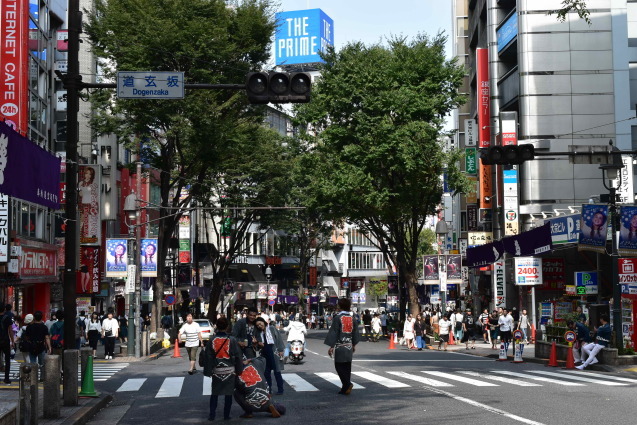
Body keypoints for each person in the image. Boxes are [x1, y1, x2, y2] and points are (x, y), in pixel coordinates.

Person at [202, 317, 242, 421]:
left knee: (214, 393)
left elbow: (208, 356)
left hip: (217, 371)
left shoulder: (212, 340)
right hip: (229, 371)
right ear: (227, 327)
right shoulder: (232, 340)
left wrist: (208, 371)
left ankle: (212, 415)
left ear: (216, 326)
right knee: (228, 394)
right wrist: (239, 370)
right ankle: (226, 415)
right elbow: (237, 356)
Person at [324, 298, 360, 395]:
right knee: (347, 367)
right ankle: (344, 388)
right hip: (349, 346)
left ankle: (347, 384)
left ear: (340, 306)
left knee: (339, 366)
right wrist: (353, 344)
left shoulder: (337, 318)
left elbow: (334, 332)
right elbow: (355, 332)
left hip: (340, 346)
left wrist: (331, 346)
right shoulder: (353, 318)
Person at [254, 317, 285, 395]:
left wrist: (281, 350)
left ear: (263, 322)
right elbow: (257, 348)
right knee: (266, 373)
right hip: (264, 354)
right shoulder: (258, 333)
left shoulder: (271, 328)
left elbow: (279, 339)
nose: (259, 326)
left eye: (260, 323)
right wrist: (257, 343)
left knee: (277, 371)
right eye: (257, 325)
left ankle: (280, 389)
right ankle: (269, 389)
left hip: (273, 352)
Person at [22, 311, 51, 379]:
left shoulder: (29, 327)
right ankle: (42, 377)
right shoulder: (44, 327)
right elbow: (47, 337)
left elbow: (27, 337)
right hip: (41, 346)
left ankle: (33, 377)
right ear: (41, 318)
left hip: (32, 346)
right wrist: (49, 347)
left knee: (32, 363)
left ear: (34, 318)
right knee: (42, 363)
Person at [79, 166, 99, 241]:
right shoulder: (81, 183)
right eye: (86, 173)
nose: (88, 175)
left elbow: (95, 195)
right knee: (82, 220)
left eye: (90, 174)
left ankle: (91, 235)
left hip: (91, 204)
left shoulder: (93, 184)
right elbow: (80, 194)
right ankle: (81, 235)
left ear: (92, 176)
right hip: (83, 203)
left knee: (90, 220)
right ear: (84, 174)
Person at [0, 304, 15, 384]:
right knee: (7, 359)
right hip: (5, 340)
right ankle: (6, 378)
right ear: (4, 309)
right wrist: (12, 341)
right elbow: (10, 331)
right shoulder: (7, 318)